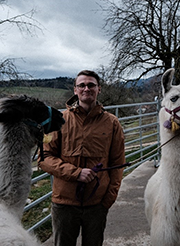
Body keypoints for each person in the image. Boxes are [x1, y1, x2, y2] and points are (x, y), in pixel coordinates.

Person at [38, 70, 126, 246]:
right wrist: (75, 173)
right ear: (75, 90)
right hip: (65, 203)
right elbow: (44, 158)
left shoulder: (111, 123)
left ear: (99, 89)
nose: (87, 88)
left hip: (97, 204)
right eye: (82, 85)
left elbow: (117, 164)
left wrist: (108, 199)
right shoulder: (59, 120)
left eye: (91, 85)